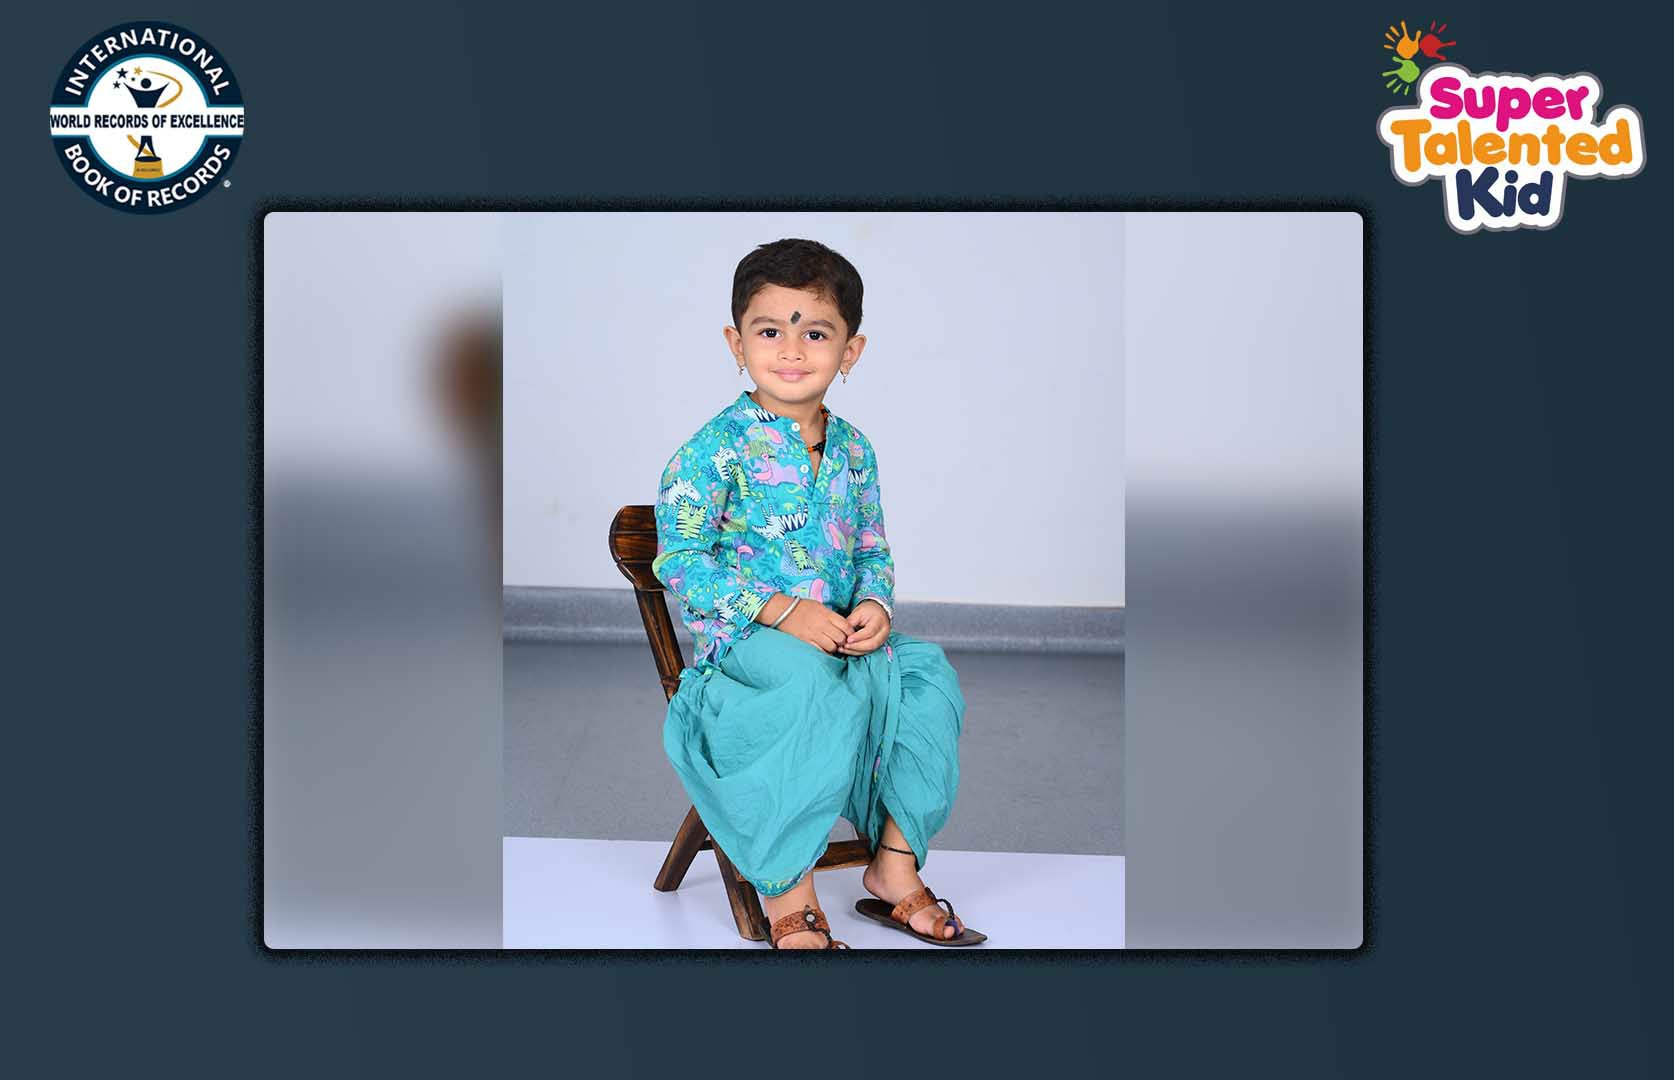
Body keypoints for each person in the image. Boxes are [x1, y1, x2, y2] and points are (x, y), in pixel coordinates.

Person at [652, 238, 982, 950]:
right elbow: (679, 561)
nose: (792, 350)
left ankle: (893, 866)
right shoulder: (712, 451)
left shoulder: (855, 450)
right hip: (746, 651)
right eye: (771, 331)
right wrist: (783, 611)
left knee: (926, 676)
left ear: (850, 351)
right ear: (736, 343)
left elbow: (870, 549)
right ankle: (788, 893)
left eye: (816, 333)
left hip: (840, 639)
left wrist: (874, 607)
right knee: (805, 683)